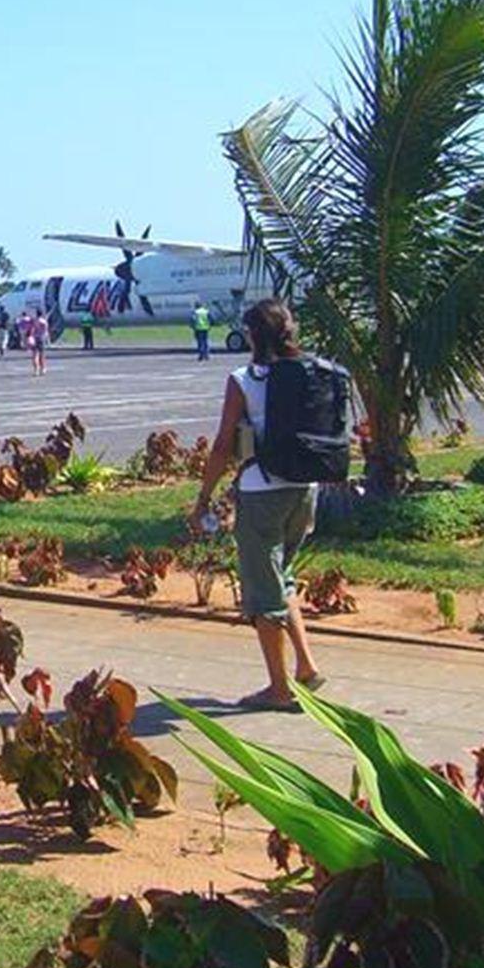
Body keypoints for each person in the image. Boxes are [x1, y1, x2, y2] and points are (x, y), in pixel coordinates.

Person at [188, 299, 325, 711]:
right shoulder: (313, 372)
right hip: (305, 487)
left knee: (263, 592)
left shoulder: (244, 380)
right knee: (282, 575)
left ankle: (279, 689)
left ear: (252, 335)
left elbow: (222, 445)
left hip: (262, 490)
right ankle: (306, 665)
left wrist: (203, 498)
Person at [26, 306, 50, 376]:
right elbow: (46, 331)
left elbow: (31, 328)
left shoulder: (34, 321)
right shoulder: (43, 321)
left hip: (34, 338)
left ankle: (36, 370)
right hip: (41, 338)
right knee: (42, 354)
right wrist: (47, 338)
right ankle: (43, 369)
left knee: (35, 355)